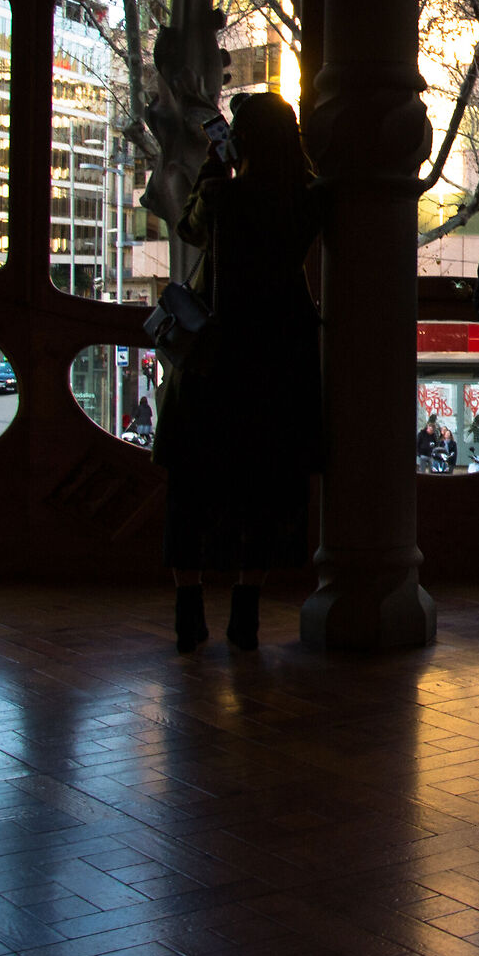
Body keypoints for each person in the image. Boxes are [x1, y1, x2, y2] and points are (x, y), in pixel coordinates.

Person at [152, 93, 325, 653]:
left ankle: (189, 613)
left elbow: (189, 230)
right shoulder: (307, 201)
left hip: (214, 361)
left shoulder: (223, 195)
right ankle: (245, 615)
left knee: (190, 489)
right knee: (263, 489)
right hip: (277, 359)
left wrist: (214, 164)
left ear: (240, 142)